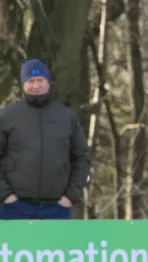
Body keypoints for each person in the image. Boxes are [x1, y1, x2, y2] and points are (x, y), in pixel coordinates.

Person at [0, 59, 90, 220]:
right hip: (13, 209)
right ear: (23, 84)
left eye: (40, 80)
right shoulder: (7, 116)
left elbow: (82, 157)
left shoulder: (66, 117)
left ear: (48, 83)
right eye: (30, 81)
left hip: (57, 209)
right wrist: (5, 195)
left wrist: (71, 196)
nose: (36, 86)